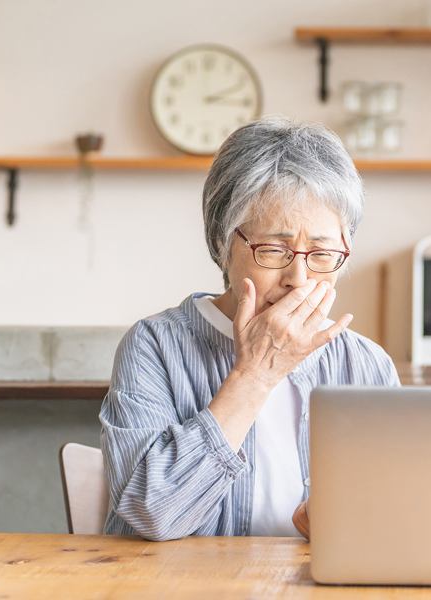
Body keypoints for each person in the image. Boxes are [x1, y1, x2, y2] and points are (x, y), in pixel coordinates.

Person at [100, 117, 398, 542]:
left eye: (321, 252)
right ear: (223, 242)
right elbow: (153, 514)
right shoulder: (155, 346)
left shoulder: (364, 363)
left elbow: (399, 519)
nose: (299, 277)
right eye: (274, 249)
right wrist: (256, 374)